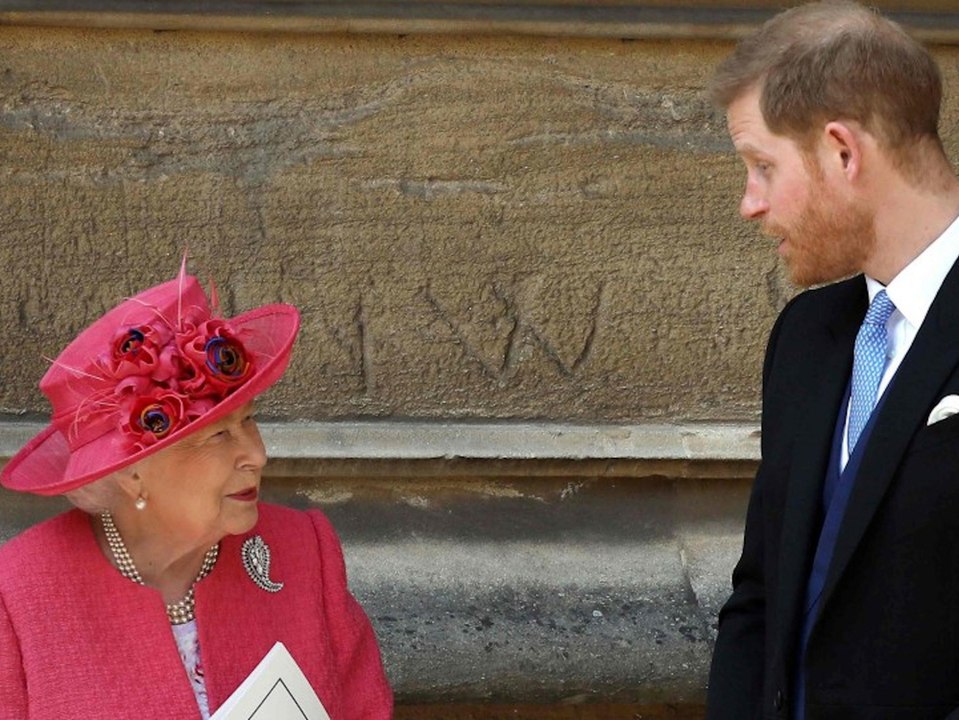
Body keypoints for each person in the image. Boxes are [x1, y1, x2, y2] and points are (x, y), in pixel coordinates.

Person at [706, 1, 959, 718]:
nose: (748, 205)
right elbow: (758, 596)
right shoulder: (804, 337)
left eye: (761, 167)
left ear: (842, 152)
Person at [0, 261, 393, 719]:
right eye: (218, 435)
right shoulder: (16, 596)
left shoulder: (304, 551)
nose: (257, 455)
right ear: (132, 473)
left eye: (249, 419)